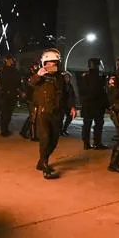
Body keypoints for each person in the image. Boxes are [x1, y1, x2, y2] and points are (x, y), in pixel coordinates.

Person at [29, 49, 76, 179]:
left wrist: (71, 107)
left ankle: (41, 161)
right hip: (43, 112)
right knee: (45, 138)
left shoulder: (62, 77)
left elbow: (68, 93)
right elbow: (30, 84)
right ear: (43, 63)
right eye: (48, 63)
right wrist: (38, 75)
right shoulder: (39, 77)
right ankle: (45, 167)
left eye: (54, 63)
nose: (51, 66)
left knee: (54, 141)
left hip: (58, 113)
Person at [78, 58, 110, 150]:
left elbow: (81, 91)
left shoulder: (84, 76)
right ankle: (97, 143)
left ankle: (86, 143)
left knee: (87, 124)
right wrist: (107, 105)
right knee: (98, 124)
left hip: (87, 104)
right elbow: (102, 93)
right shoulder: (99, 77)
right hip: (97, 105)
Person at [0, 55, 23, 137]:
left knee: (9, 113)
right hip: (4, 94)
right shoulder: (2, 71)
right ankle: (3, 130)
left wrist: (20, 91)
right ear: (5, 61)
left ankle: (5, 129)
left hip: (12, 94)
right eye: (8, 60)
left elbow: (18, 83)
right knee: (4, 113)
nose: (10, 61)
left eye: (11, 60)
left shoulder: (15, 71)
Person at [20, 62, 41, 141]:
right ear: (31, 68)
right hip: (31, 99)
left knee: (33, 117)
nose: (37, 68)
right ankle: (33, 135)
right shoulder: (29, 77)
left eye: (37, 66)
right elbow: (29, 87)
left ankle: (24, 131)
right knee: (33, 117)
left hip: (35, 98)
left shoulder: (37, 75)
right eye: (35, 66)